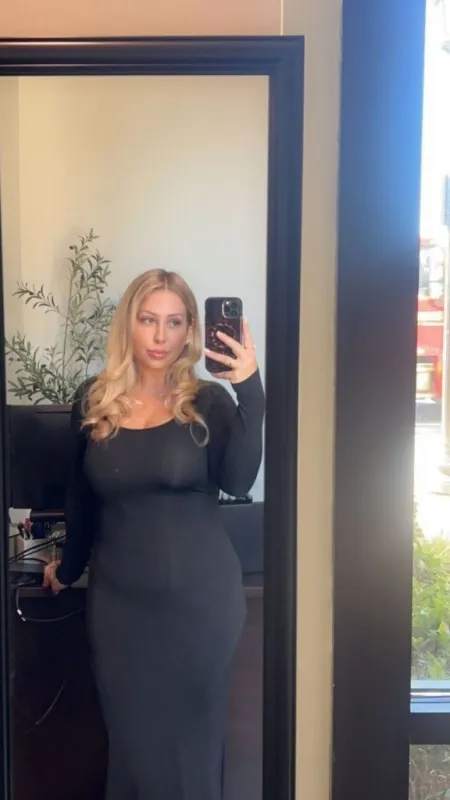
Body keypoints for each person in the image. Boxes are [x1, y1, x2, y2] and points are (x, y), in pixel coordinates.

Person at [43, 269, 265, 800]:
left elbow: (238, 482)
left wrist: (250, 390)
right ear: (129, 324)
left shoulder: (208, 401)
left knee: (191, 757)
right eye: (148, 320)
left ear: (190, 330)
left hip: (200, 607)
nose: (160, 336)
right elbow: (80, 499)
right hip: (120, 609)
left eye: (174, 322)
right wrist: (66, 569)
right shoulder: (94, 400)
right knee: (134, 754)